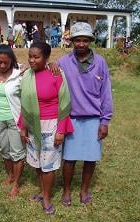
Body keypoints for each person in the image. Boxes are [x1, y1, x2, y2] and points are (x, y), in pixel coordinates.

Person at [57, 22, 113, 206]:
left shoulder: (100, 62)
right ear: (72, 41)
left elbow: (106, 92)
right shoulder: (64, 63)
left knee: (90, 158)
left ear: (90, 41)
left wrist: (105, 121)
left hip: (93, 119)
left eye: (85, 40)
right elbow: (48, 76)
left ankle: (84, 190)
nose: (81, 44)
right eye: (77, 40)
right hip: (71, 118)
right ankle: (66, 190)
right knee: (70, 158)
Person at [19, 41, 73, 215]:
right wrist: (23, 127)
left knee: (48, 163)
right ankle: (42, 191)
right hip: (33, 124)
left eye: (37, 57)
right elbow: (24, 104)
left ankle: (48, 197)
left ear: (46, 58)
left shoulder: (56, 74)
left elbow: (65, 104)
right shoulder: (27, 75)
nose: (32, 60)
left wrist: (61, 130)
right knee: (37, 160)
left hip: (52, 125)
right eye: (30, 56)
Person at [0, 44, 25, 199]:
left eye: (6, 63)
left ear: (12, 61)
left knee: (17, 152)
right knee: (4, 149)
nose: (2, 66)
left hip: (14, 119)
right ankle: (10, 175)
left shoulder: (19, 73)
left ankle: (16, 183)